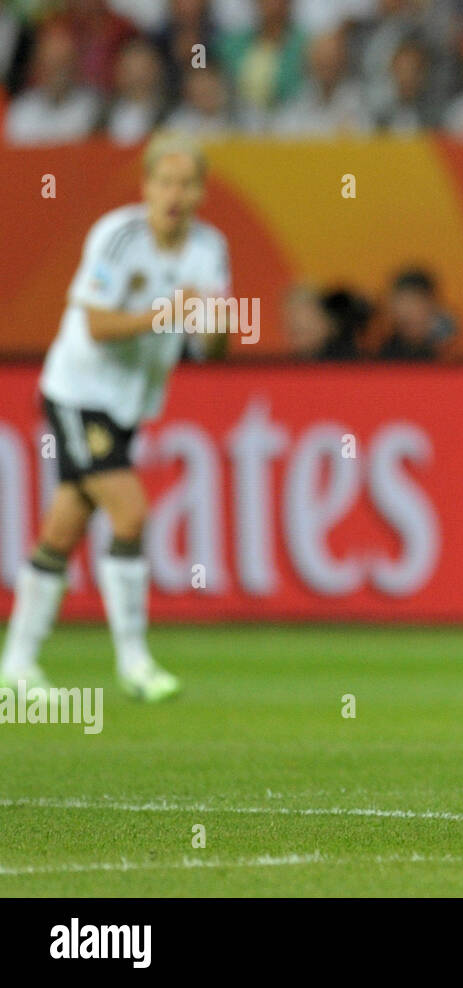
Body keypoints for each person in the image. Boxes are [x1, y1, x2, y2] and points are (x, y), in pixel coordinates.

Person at [0, 133, 232, 702]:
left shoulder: (209, 248)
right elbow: (98, 326)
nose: (175, 194)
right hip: (79, 391)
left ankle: (16, 665)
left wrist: (216, 323)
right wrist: (165, 314)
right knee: (129, 512)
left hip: (127, 406)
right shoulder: (117, 235)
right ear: (147, 186)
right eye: (165, 181)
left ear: (201, 191)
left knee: (63, 528)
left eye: (187, 183)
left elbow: (215, 347)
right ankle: (133, 662)